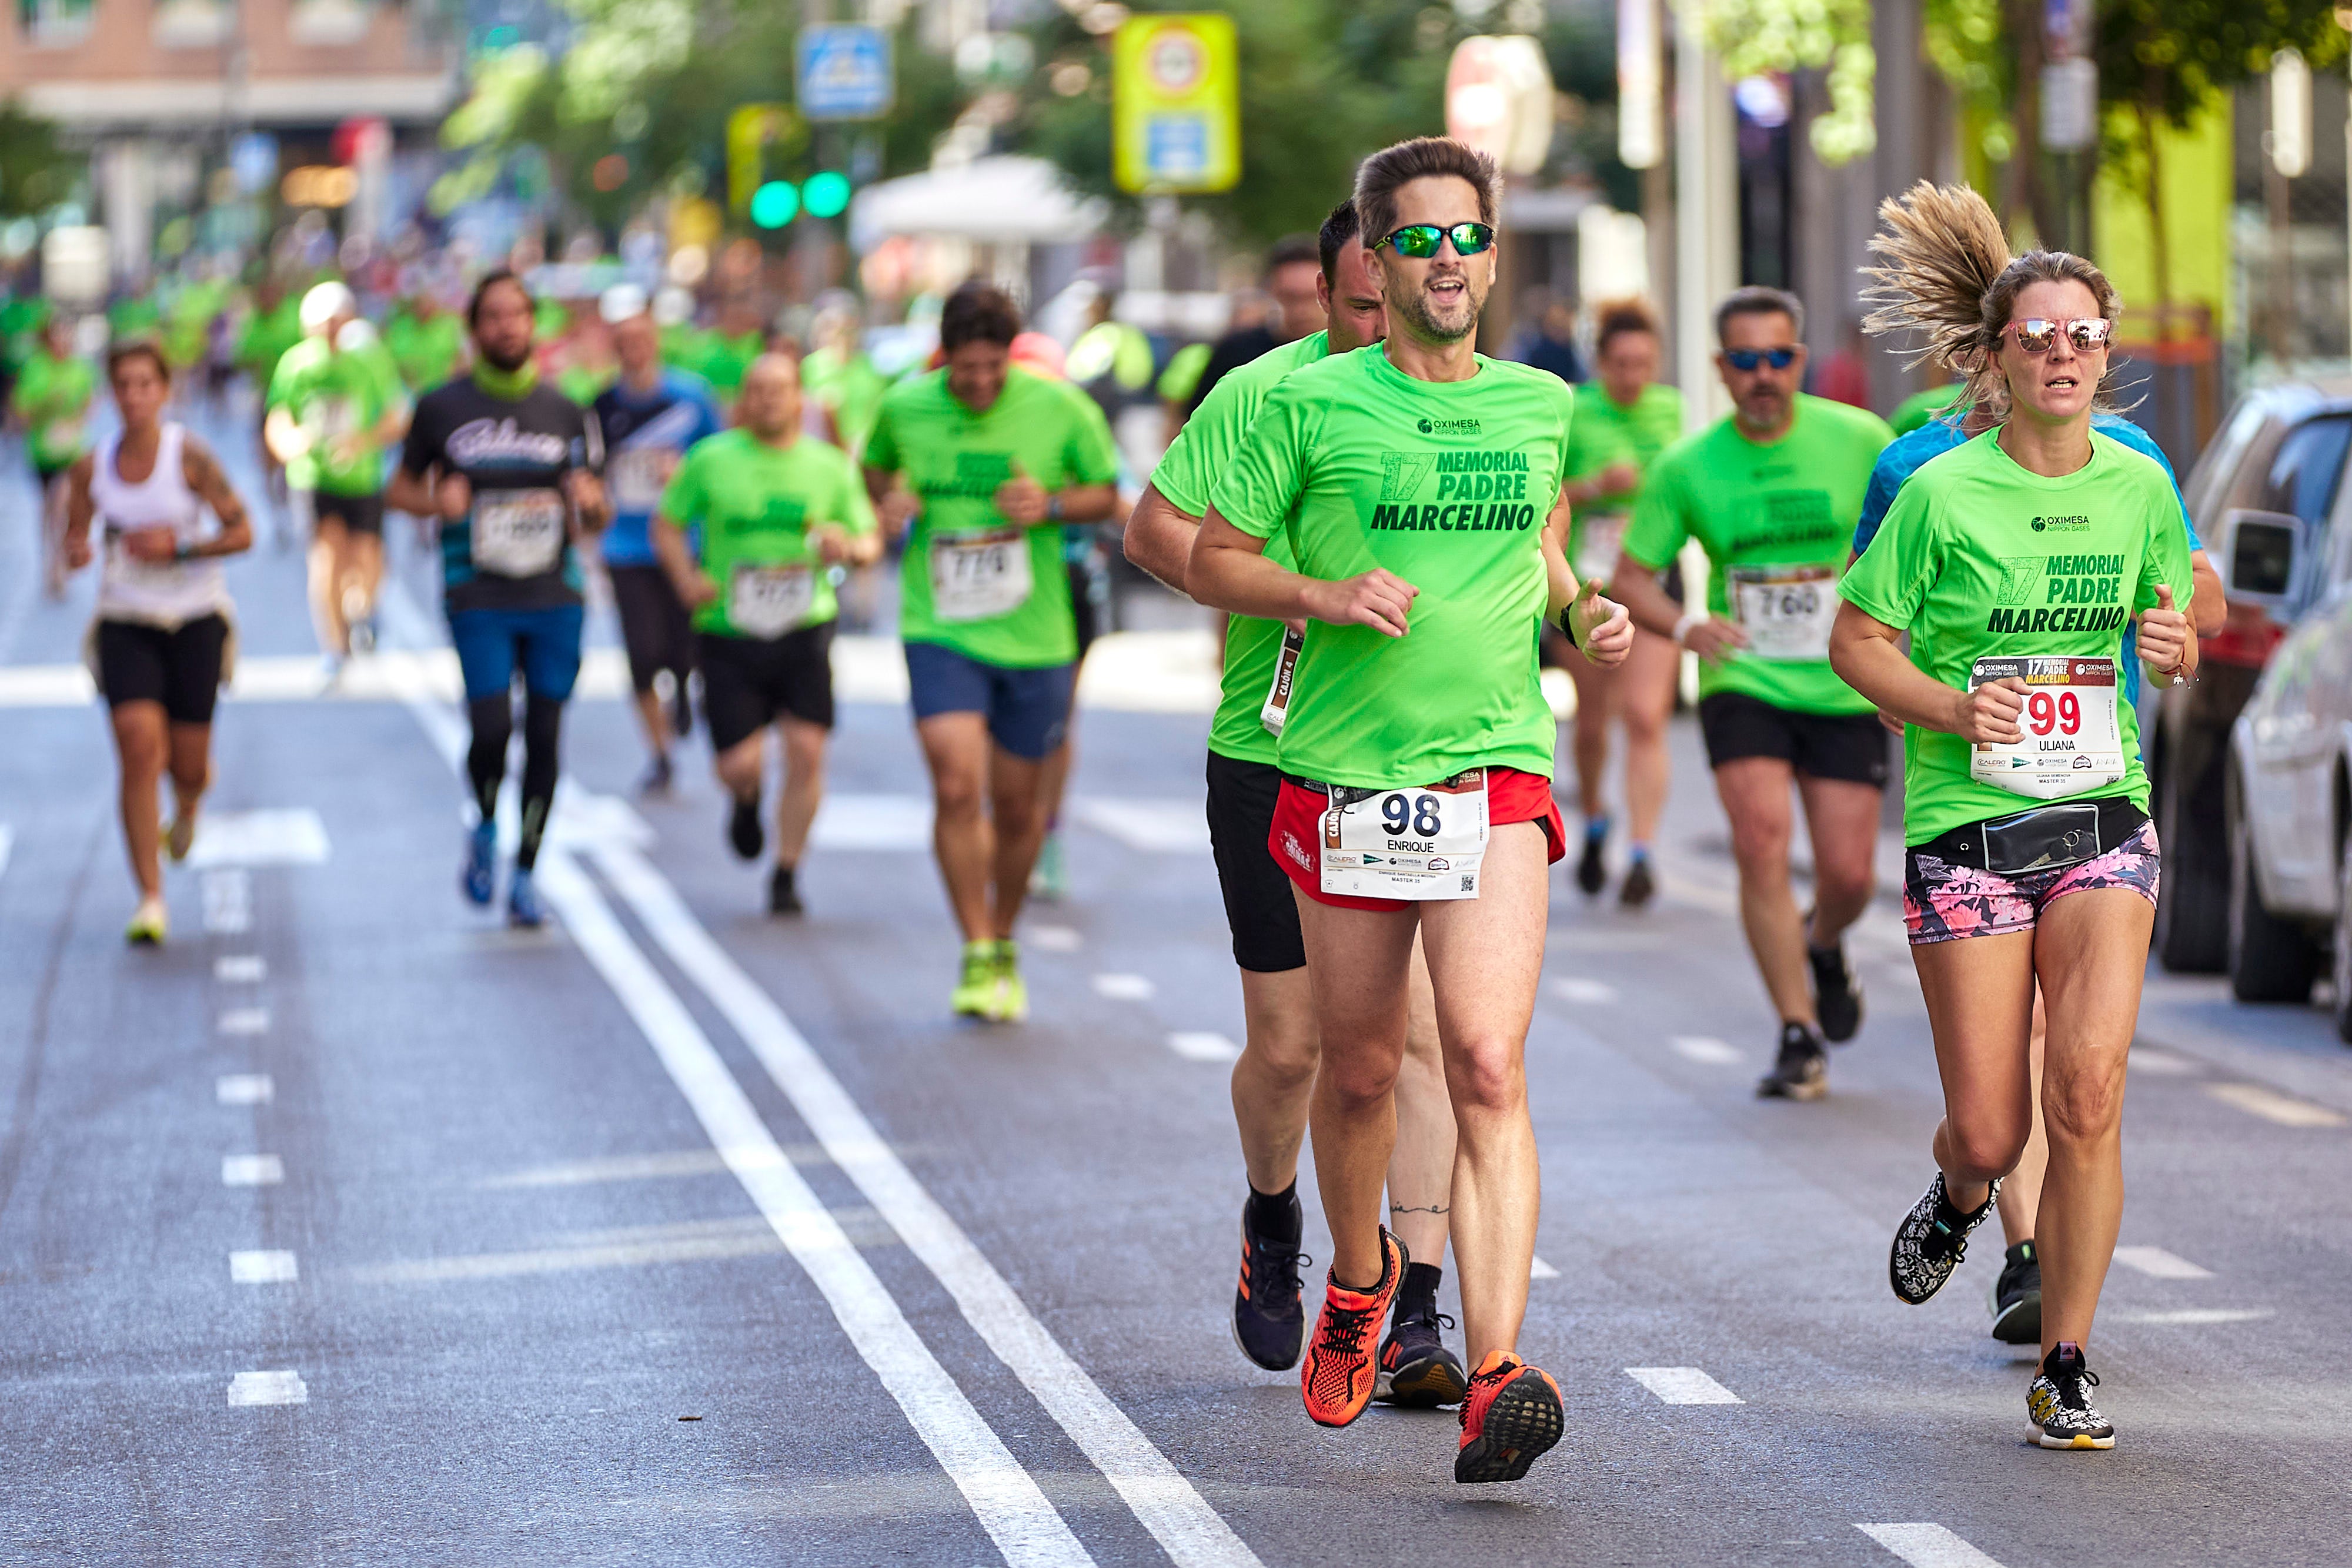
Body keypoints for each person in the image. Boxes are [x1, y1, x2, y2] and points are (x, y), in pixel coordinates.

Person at [1189, 137, 1636, 1483]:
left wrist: (1580, 608)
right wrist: (1323, 597)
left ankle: (1495, 1369)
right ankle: (1355, 1279)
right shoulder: (1309, 407)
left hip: (1494, 767)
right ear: (1374, 264)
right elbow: (1204, 553)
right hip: (1340, 775)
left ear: (1496, 258)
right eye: (1419, 240)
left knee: (1486, 1063)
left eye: (1469, 239)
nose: (1448, 261)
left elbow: (1539, 546)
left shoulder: (1538, 406)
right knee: (1365, 1066)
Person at [1833, 180, 2197, 1452]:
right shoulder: (1936, 491)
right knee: (1994, 1124)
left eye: (2080, 335)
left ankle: (2069, 1357)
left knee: (2084, 1091)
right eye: (2034, 335)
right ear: (1992, 358)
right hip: (1968, 829)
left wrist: (2172, 638)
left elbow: (2174, 608)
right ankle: (1959, 1187)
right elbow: (1853, 639)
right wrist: (1945, 703)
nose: (2059, 353)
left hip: (2102, 815)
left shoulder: (2138, 483)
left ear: (2106, 353)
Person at [1124, 197, 1471, 1409]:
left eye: (1401, 294)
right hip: (1271, 748)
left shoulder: (1461, 395)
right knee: (1292, 1047)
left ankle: (1413, 1299)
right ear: (1324, 297)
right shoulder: (1261, 399)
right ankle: (1273, 1212)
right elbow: (1153, 531)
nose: (1386, 319)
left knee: (1419, 1034)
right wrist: (1280, 588)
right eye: (1362, 302)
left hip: (1419, 753)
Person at [1610, 287, 1893, 1100]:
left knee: (1844, 873)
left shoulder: (1861, 439)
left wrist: (1897, 641)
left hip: (1844, 681)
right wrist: (1687, 625)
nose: (1764, 375)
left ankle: (1825, 942)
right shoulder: (1687, 466)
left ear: (1798, 362)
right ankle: (1799, 1031)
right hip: (1746, 678)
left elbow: (1916, 541)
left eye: (1778, 358)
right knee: (1762, 840)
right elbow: (1632, 577)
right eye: (1746, 360)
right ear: (1720, 368)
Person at [862, 281, 1122, 1022]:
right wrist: (891, 503)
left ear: (1010, 356)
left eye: (991, 369)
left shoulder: (1059, 407)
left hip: (1036, 634)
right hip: (940, 627)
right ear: (943, 356)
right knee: (953, 786)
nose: (977, 383)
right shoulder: (905, 406)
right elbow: (874, 468)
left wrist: (1048, 505)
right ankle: (976, 948)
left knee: (1016, 811)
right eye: (963, 369)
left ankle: (1003, 934)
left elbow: (1105, 494)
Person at [387, 270, 608, 929]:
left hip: (554, 594)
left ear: (533, 325)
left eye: (518, 315)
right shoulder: (441, 408)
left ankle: (528, 872)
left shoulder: (568, 410)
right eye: (494, 317)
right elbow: (397, 491)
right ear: (474, 328)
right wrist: (436, 501)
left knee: (545, 734)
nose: (507, 327)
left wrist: (592, 506)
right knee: (490, 730)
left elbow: (595, 513)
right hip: (476, 591)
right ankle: (484, 821)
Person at [653, 352, 878, 914]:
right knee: (739, 765)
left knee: (807, 750)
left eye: (780, 390)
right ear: (743, 400)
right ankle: (746, 800)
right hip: (729, 629)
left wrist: (845, 547)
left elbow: (869, 541)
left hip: (805, 626)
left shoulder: (829, 466)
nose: (769, 399)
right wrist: (685, 578)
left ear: (799, 399)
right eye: (757, 390)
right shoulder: (711, 459)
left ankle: (787, 870)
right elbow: (667, 522)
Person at [59, 343, 254, 943]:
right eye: (124, 384)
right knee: (138, 748)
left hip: (195, 618)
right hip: (126, 620)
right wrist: (78, 551)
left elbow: (242, 530)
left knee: (188, 764)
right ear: (110, 394)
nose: (135, 395)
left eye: (147, 383)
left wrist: (182, 548)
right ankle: (150, 898)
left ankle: (190, 804)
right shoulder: (91, 470)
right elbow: (74, 537)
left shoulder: (188, 457)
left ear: (164, 391)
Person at [1555, 299, 1684, 905]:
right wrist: (1592, 488)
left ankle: (1641, 850)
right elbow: (1544, 497)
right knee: (1593, 720)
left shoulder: (1675, 413)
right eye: (1621, 364)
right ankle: (1596, 818)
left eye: (1644, 364)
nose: (1633, 376)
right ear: (1601, 363)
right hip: (1586, 584)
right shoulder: (1573, 412)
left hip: (1653, 577)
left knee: (1645, 718)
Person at [592, 286, 723, 795]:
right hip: (626, 547)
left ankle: (687, 687)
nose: (635, 349)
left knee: (684, 644)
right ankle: (661, 752)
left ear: (657, 341)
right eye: (624, 341)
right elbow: (591, 474)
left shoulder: (691, 397)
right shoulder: (603, 406)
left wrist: (685, 471)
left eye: (642, 338)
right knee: (642, 654)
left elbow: (720, 462)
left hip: (683, 543)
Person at [265, 282, 409, 666]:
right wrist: (290, 443)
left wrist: (364, 441)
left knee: (366, 556)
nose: (330, 331)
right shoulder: (295, 364)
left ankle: (361, 609)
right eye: (322, 323)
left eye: (337, 321)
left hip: (362, 477)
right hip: (314, 476)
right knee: (326, 556)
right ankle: (334, 644)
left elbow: (396, 415)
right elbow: (279, 417)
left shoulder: (369, 360)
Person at [1185, 235, 1327, 416]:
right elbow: (1196, 418)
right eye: (1289, 297)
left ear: (1327, 290)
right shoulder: (1235, 351)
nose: (1301, 310)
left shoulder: (1349, 350)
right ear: (1271, 291)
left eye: (1310, 296)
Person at [9, 314, 96, 600]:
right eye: (56, 337)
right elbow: (20, 410)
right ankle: (51, 558)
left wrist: (76, 419)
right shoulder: (35, 368)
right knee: (49, 511)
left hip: (71, 452)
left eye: (66, 336)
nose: (62, 343)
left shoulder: (79, 368)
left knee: (62, 505)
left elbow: (89, 400)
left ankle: (59, 565)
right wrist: (46, 407)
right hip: (42, 452)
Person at [1502, 287, 1585, 385]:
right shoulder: (1529, 347)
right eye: (1556, 325)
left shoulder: (1572, 352)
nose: (1561, 331)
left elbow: (1582, 379)